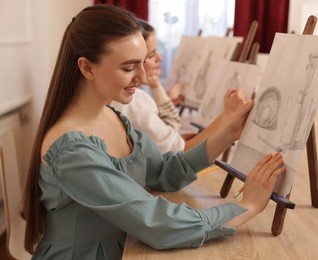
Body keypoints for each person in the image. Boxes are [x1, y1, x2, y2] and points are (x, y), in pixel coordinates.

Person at [23, 5, 285, 259]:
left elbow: (163, 171)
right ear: (87, 67)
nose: (143, 78)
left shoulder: (113, 117)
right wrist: (246, 205)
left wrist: (227, 134)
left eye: (142, 63)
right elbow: (158, 224)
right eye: (128, 68)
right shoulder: (72, 151)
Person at [111, 20, 247, 153]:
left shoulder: (126, 98)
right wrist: (227, 115)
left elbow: (168, 138)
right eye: (151, 55)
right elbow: (180, 154)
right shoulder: (131, 101)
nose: (160, 58)